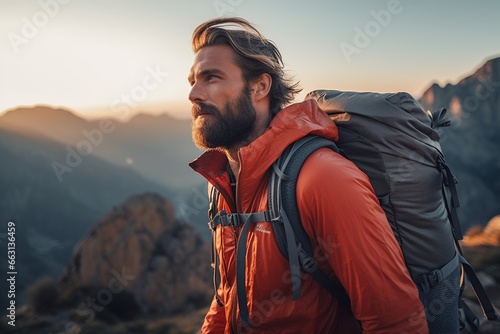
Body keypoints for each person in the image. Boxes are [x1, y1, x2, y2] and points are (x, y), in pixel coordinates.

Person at [188, 17, 429, 334]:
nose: (193, 93)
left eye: (211, 78)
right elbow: (226, 299)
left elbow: (396, 321)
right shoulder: (224, 184)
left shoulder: (322, 178)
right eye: (192, 80)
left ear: (260, 86)